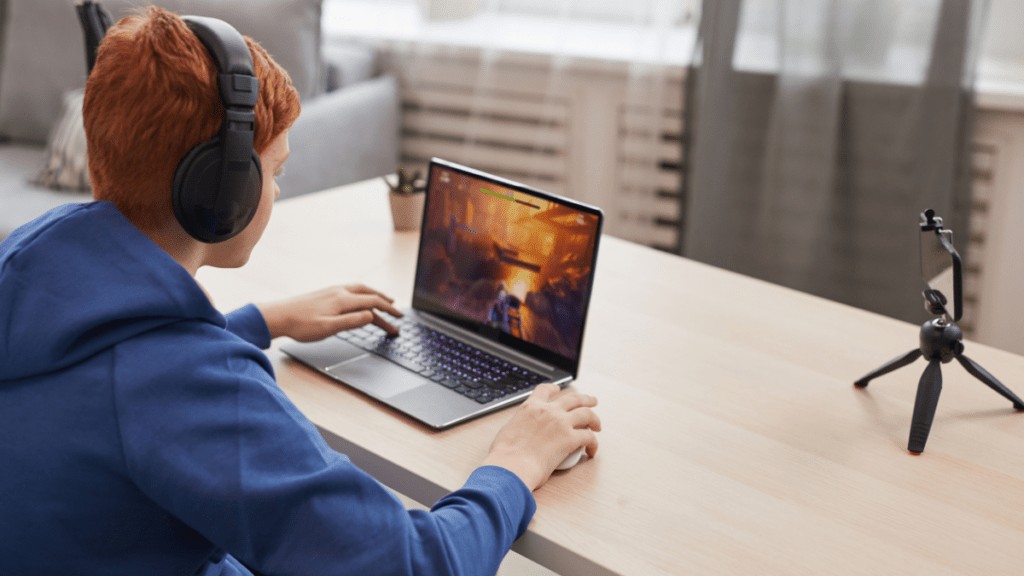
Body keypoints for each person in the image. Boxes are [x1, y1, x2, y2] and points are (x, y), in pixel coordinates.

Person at [0, 8, 600, 575]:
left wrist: (260, 320)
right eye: (276, 170)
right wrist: (513, 464)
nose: (278, 191)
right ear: (219, 191)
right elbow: (412, 566)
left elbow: (111, 373)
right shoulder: (184, 386)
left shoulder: (29, 263)